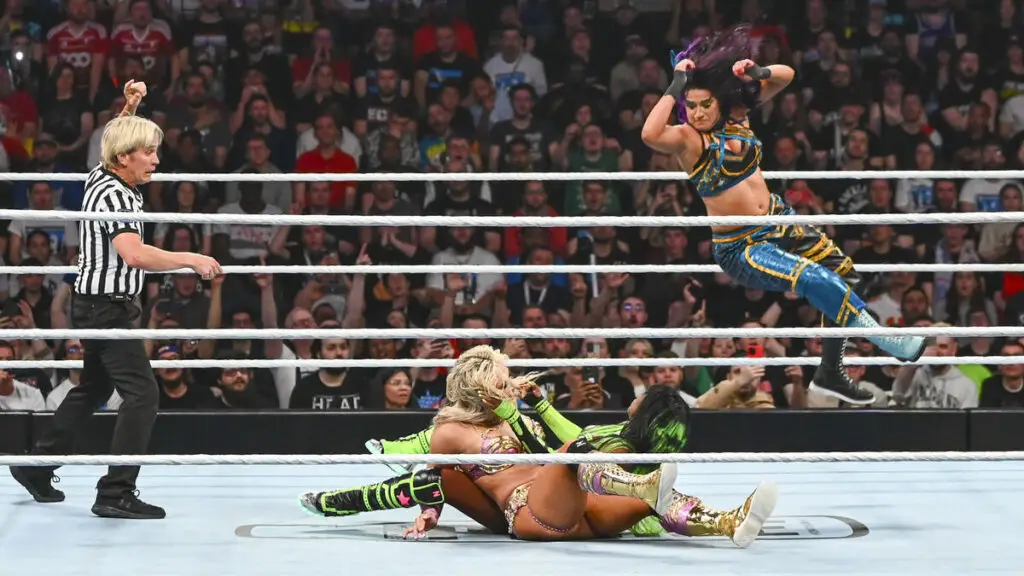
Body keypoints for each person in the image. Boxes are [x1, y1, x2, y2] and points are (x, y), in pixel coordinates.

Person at [640, 26, 926, 405]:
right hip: (742, 245)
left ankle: (830, 371)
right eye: (690, 106)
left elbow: (786, 76)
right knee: (812, 278)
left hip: (779, 220)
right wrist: (677, 84)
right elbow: (649, 134)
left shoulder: (738, 116)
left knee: (843, 273)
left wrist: (757, 72)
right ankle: (883, 337)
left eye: (705, 104)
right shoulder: (688, 140)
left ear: (720, 101)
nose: (698, 112)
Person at [300, 345, 776, 546]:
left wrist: (519, 413)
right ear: (480, 386)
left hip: (579, 510)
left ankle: (727, 522)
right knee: (577, 459)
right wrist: (422, 512)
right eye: (502, 379)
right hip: (530, 512)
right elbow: (431, 478)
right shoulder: (452, 430)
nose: (510, 384)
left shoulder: (517, 419)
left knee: (645, 494)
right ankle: (643, 486)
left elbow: (544, 449)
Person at [8, 79, 222, 520]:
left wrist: (130, 106)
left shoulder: (101, 175)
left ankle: (37, 465)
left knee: (93, 388)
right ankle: (115, 491)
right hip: (106, 307)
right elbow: (135, 254)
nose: (157, 160)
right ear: (126, 157)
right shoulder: (117, 194)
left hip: (97, 303)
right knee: (142, 395)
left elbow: (113, 141)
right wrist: (191, 258)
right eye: (149, 153)